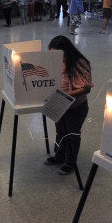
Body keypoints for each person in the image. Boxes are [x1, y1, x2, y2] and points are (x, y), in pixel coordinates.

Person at [44, 36, 93, 175]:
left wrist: (67, 95)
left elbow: (86, 88)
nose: (55, 56)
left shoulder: (80, 63)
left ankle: (70, 163)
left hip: (76, 107)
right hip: (60, 104)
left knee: (72, 134)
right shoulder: (55, 63)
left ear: (66, 51)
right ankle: (59, 157)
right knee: (61, 132)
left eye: (58, 54)